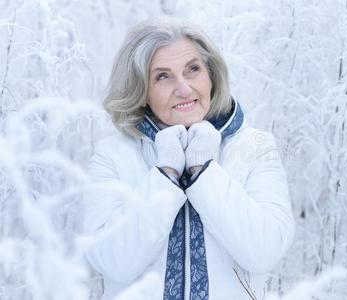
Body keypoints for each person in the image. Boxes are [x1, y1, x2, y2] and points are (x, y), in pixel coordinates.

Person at [82, 17, 295, 300]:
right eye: (162, 76)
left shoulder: (255, 148)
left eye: (192, 70)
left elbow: (265, 251)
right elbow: (112, 262)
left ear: (211, 76)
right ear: (141, 91)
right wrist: (165, 173)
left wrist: (204, 172)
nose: (183, 88)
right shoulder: (112, 155)